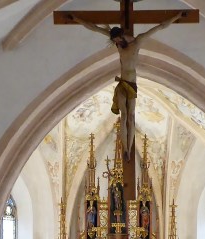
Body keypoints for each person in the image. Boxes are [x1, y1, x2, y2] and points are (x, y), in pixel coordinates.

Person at [69, 11, 187, 158]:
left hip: (131, 84)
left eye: (117, 41)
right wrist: (77, 19)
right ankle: (125, 149)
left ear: (122, 35)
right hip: (122, 83)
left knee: (131, 117)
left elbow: (160, 27)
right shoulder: (117, 42)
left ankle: (129, 150)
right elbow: (94, 27)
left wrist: (177, 17)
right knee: (123, 116)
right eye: (115, 42)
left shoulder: (137, 42)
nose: (117, 44)